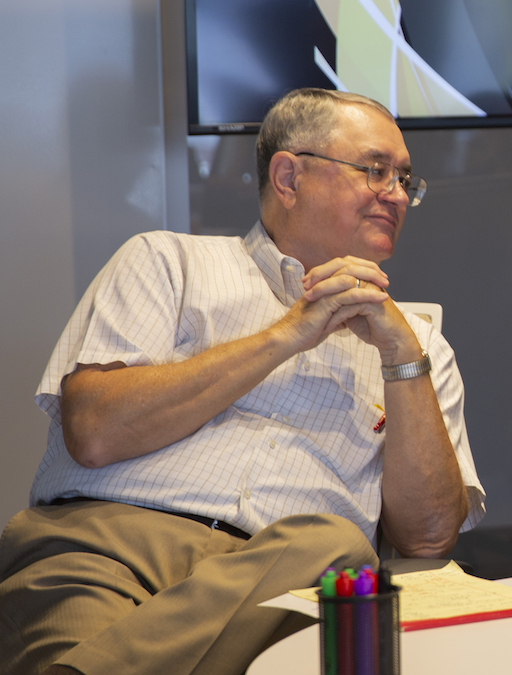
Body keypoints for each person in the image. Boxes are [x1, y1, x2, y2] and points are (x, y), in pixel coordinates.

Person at [0, 88, 485, 675]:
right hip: (105, 549)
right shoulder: (168, 261)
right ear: (288, 177)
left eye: (405, 180)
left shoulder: (417, 347)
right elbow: (94, 432)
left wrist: (402, 359)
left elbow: (429, 539)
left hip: (286, 585)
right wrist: (287, 335)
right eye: (375, 171)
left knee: (337, 549)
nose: (397, 195)